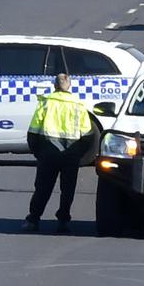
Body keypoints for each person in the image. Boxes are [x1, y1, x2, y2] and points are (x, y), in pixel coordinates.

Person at [22, 74, 92, 233]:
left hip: (48, 150)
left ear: (55, 86)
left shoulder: (46, 103)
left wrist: (37, 152)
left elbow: (33, 132)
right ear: (69, 86)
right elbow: (88, 135)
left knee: (42, 187)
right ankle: (63, 220)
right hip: (71, 151)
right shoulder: (78, 105)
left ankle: (33, 219)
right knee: (68, 188)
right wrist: (79, 153)